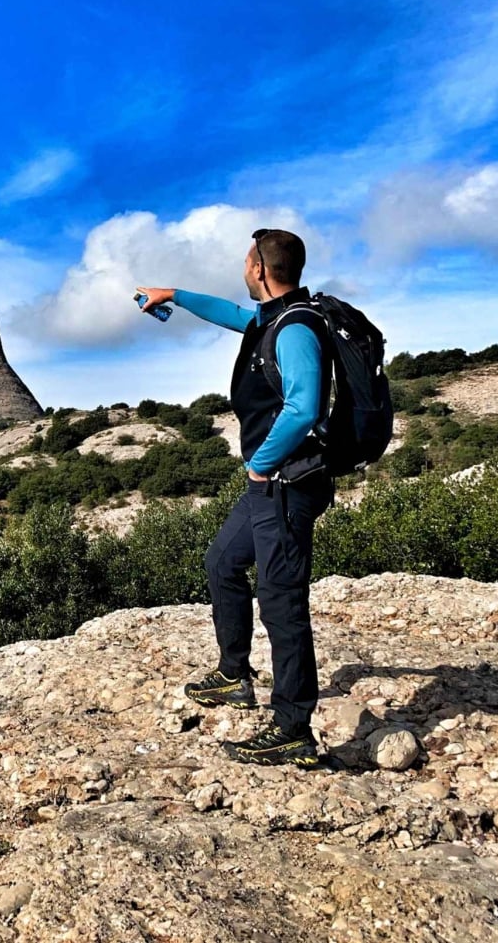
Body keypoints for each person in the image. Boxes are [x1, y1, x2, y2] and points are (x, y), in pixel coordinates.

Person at [135, 228, 333, 767]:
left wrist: (260, 462)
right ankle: (234, 675)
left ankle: (294, 728)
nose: (243, 271)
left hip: (288, 482)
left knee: (281, 600)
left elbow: (304, 406)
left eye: (247, 263)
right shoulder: (270, 319)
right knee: (222, 561)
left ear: (261, 271)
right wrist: (172, 294)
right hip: (269, 485)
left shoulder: (294, 329)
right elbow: (229, 313)